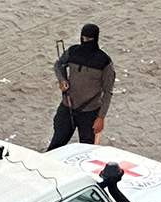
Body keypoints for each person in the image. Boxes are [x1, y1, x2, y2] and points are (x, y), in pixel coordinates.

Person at [46, 23, 116, 151]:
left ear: (96, 39)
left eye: (89, 39)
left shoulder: (104, 62)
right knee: (55, 146)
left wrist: (101, 118)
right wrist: (62, 80)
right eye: (83, 38)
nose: (85, 41)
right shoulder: (72, 51)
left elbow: (108, 92)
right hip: (67, 107)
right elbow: (58, 65)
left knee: (86, 151)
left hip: (90, 113)